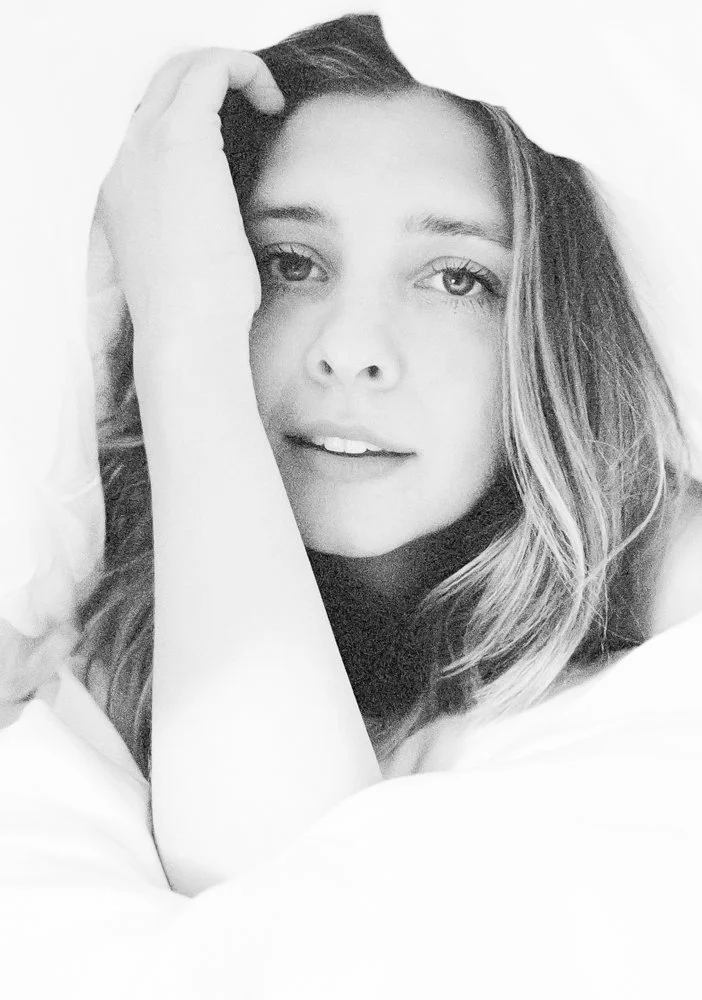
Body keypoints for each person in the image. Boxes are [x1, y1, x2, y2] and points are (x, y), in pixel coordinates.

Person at [73, 13, 702, 893]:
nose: (352, 350)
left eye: (456, 278)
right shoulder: (72, 598)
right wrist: (183, 333)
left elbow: (289, 902)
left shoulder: (637, 544)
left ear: (548, 330)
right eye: (288, 263)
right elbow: (269, 901)